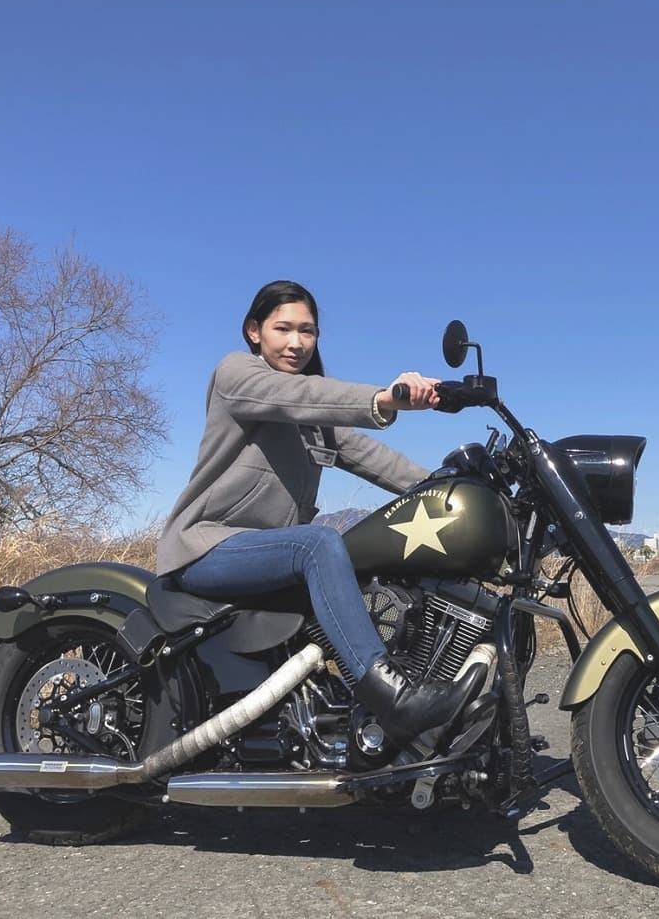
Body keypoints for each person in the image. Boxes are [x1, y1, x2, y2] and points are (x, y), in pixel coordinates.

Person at [157, 280, 480, 745]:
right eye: (283, 328)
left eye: (307, 331)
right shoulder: (236, 374)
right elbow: (298, 395)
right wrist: (385, 398)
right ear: (254, 331)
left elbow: (375, 458)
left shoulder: (311, 419)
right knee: (320, 542)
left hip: (266, 557)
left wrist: (450, 486)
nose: (296, 342)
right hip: (207, 548)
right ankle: (392, 697)